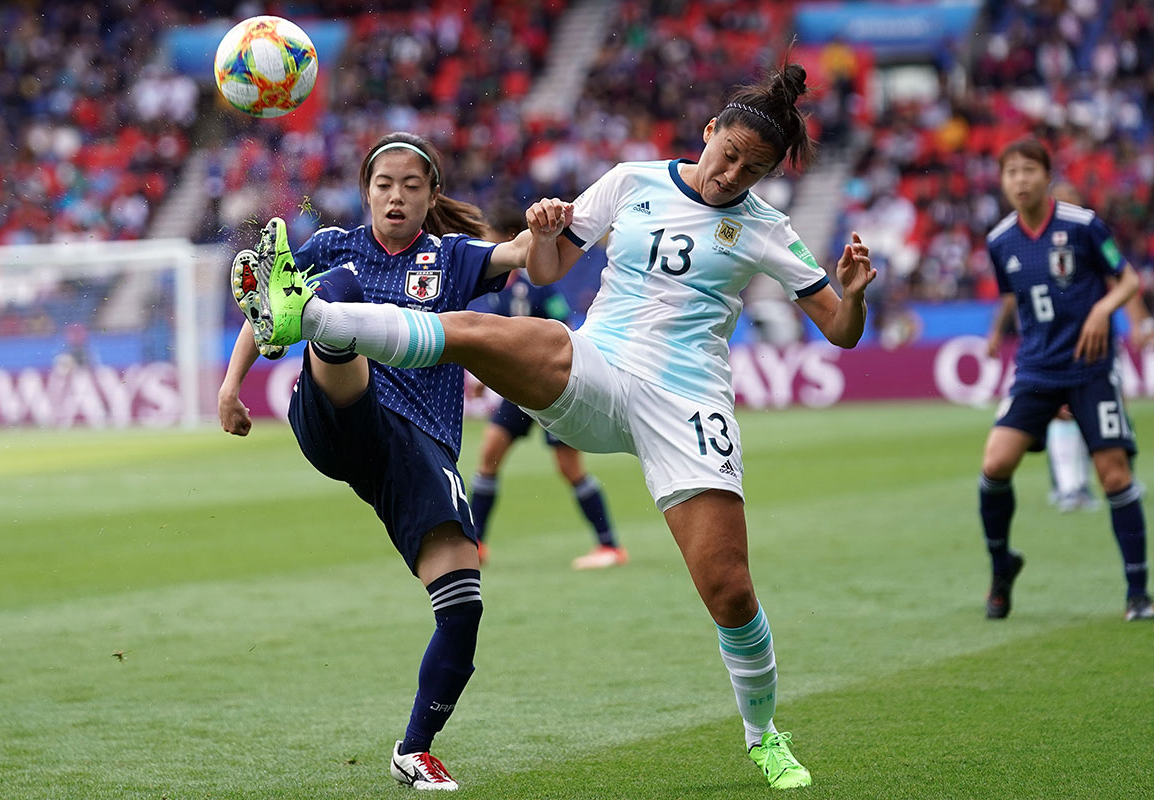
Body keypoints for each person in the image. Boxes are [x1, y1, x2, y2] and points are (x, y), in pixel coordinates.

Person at [236, 64, 876, 790]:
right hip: (597, 365)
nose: (730, 174)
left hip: (687, 400)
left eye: (750, 169)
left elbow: (841, 330)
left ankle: (763, 736)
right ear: (707, 132)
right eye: (726, 153)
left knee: (729, 589)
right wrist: (543, 232)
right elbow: (544, 272)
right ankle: (313, 317)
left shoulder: (767, 230)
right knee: (476, 330)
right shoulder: (632, 180)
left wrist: (851, 297)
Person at [219, 131, 538, 791]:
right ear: (366, 193)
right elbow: (259, 314)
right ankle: (310, 317)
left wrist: (555, 223)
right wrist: (230, 387)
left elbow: (524, 252)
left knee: (464, 604)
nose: (396, 195)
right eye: (384, 184)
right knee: (336, 305)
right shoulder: (336, 245)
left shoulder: (452, 258)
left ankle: (413, 750)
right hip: (337, 412)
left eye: (411, 186)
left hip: (417, 444)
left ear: (431, 196)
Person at [979, 138, 1154, 623]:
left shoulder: (1082, 225)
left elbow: (1128, 279)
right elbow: (1014, 296)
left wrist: (1103, 310)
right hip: (1036, 371)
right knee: (995, 465)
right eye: (1010, 172)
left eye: (1028, 170)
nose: (1020, 180)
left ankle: (1137, 592)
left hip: (1089, 369)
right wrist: (997, 333)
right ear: (1002, 181)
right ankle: (1001, 569)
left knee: (1114, 474)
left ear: (1045, 175)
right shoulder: (999, 240)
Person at [469, 207, 626, 570]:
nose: (486, 242)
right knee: (489, 455)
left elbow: (563, 325)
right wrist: (483, 378)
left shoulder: (534, 283)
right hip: (517, 388)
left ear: (507, 237)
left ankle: (610, 545)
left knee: (568, 467)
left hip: (552, 388)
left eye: (491, 234)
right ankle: (475, 543)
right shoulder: (497, 287)